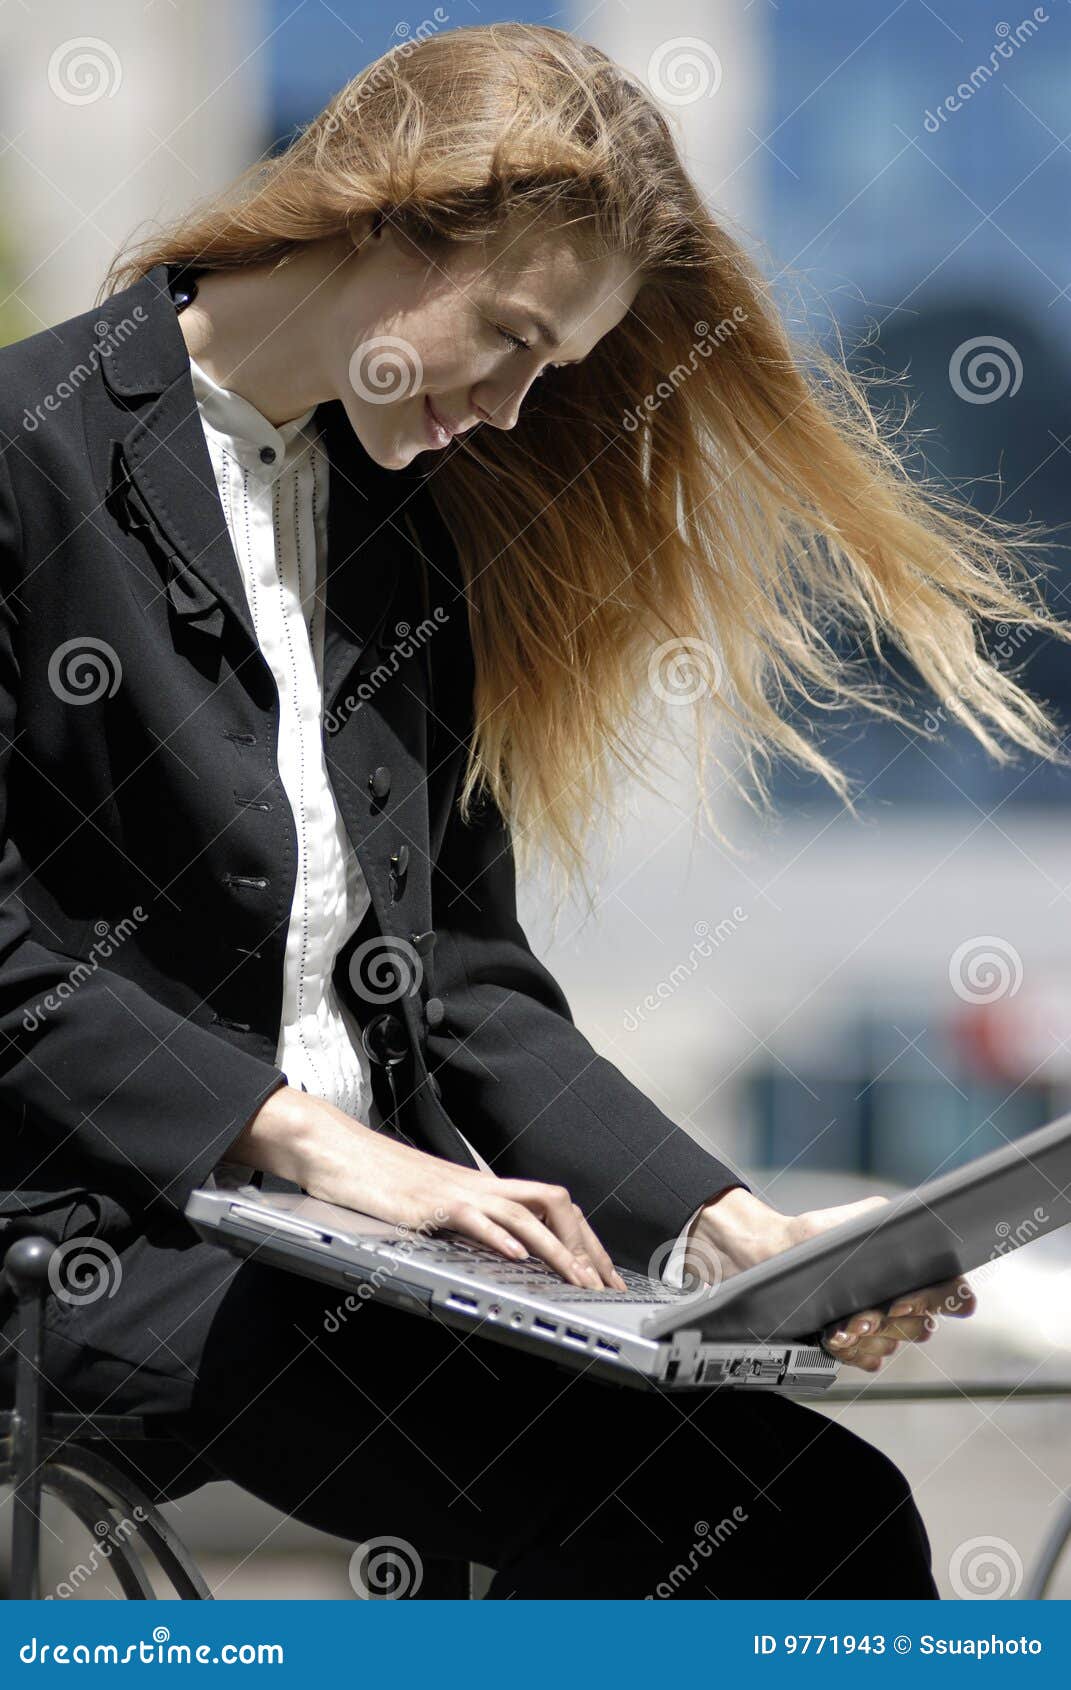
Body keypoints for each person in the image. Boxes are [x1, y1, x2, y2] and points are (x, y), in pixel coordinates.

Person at [0, 23, 1062, 1599]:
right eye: (507, 337)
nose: (505, 411)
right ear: (387, 209)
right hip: (101, 1237)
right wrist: (306, 1145)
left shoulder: (395, 534)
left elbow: (464, 986)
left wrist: (728, 1232)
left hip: (371, 1258)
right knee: (722, 1534)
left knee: (809, 1508)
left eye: (546, 373)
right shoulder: (32, 454)